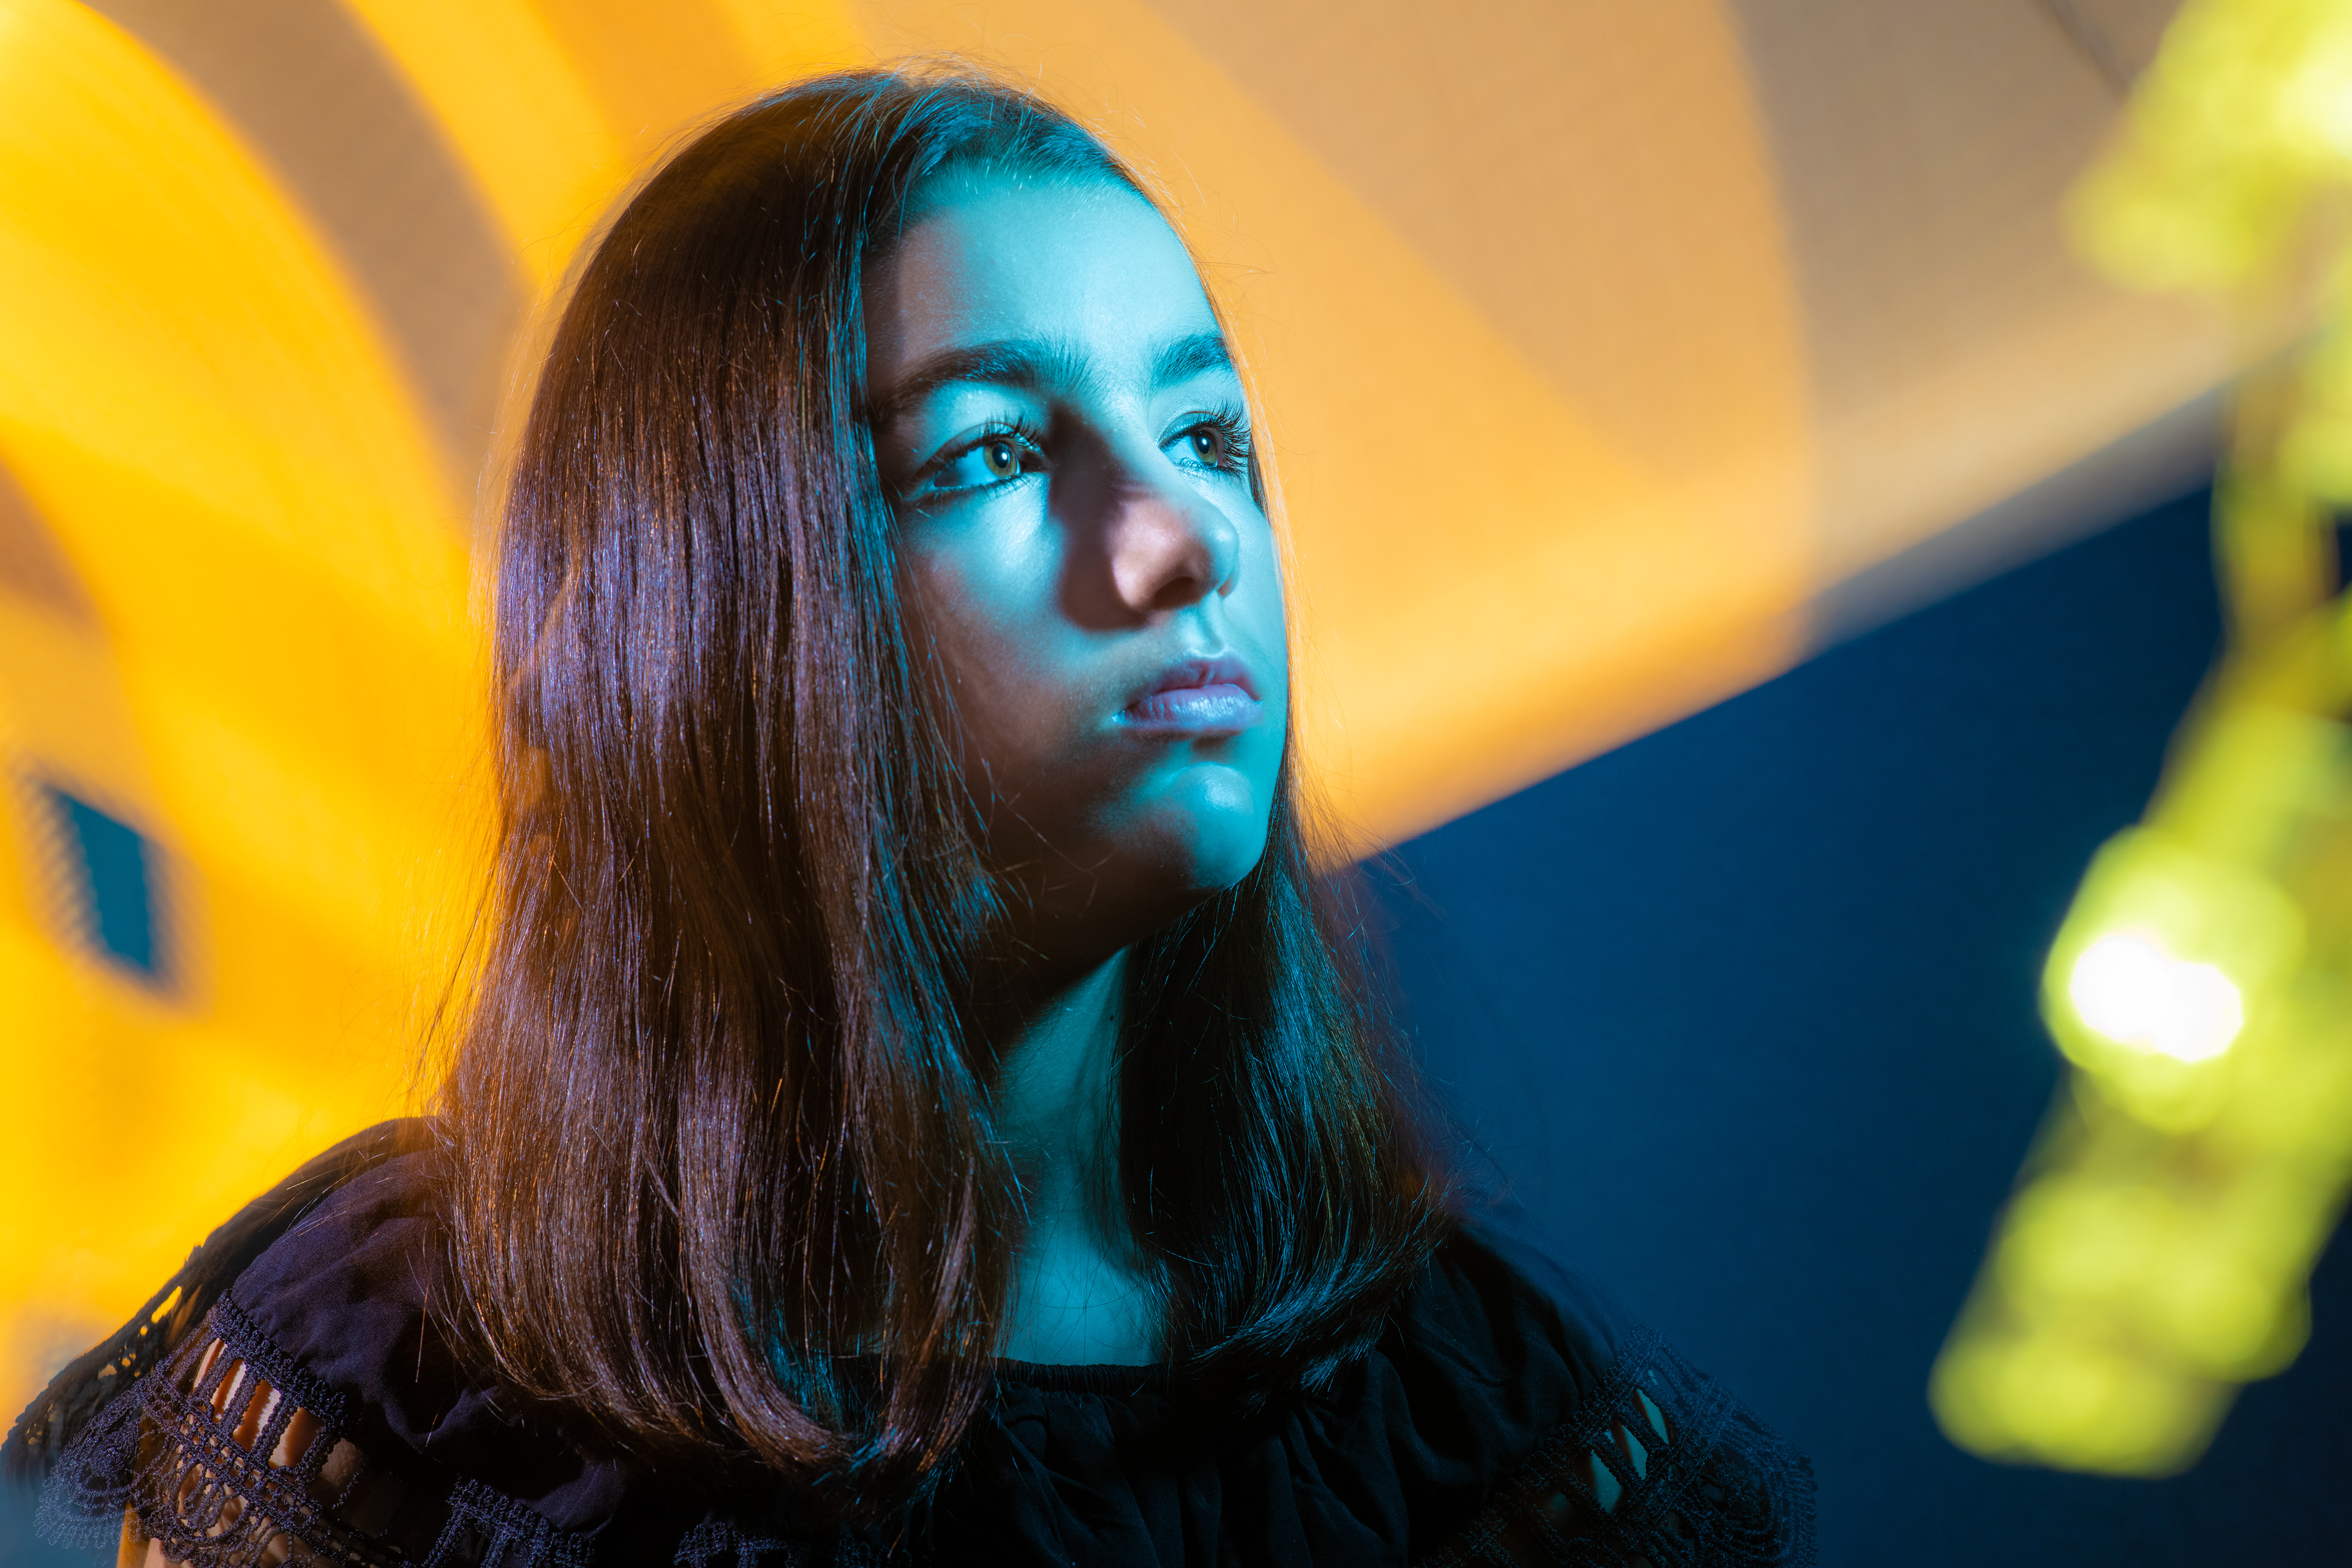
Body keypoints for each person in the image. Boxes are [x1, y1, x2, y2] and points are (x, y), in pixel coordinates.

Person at [4, 66, 1814, 1566]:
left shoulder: (1481, 1435)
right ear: (717, 601)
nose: (1180, 542)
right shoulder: (398, 1384)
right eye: (995, 453)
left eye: (1208, 436)